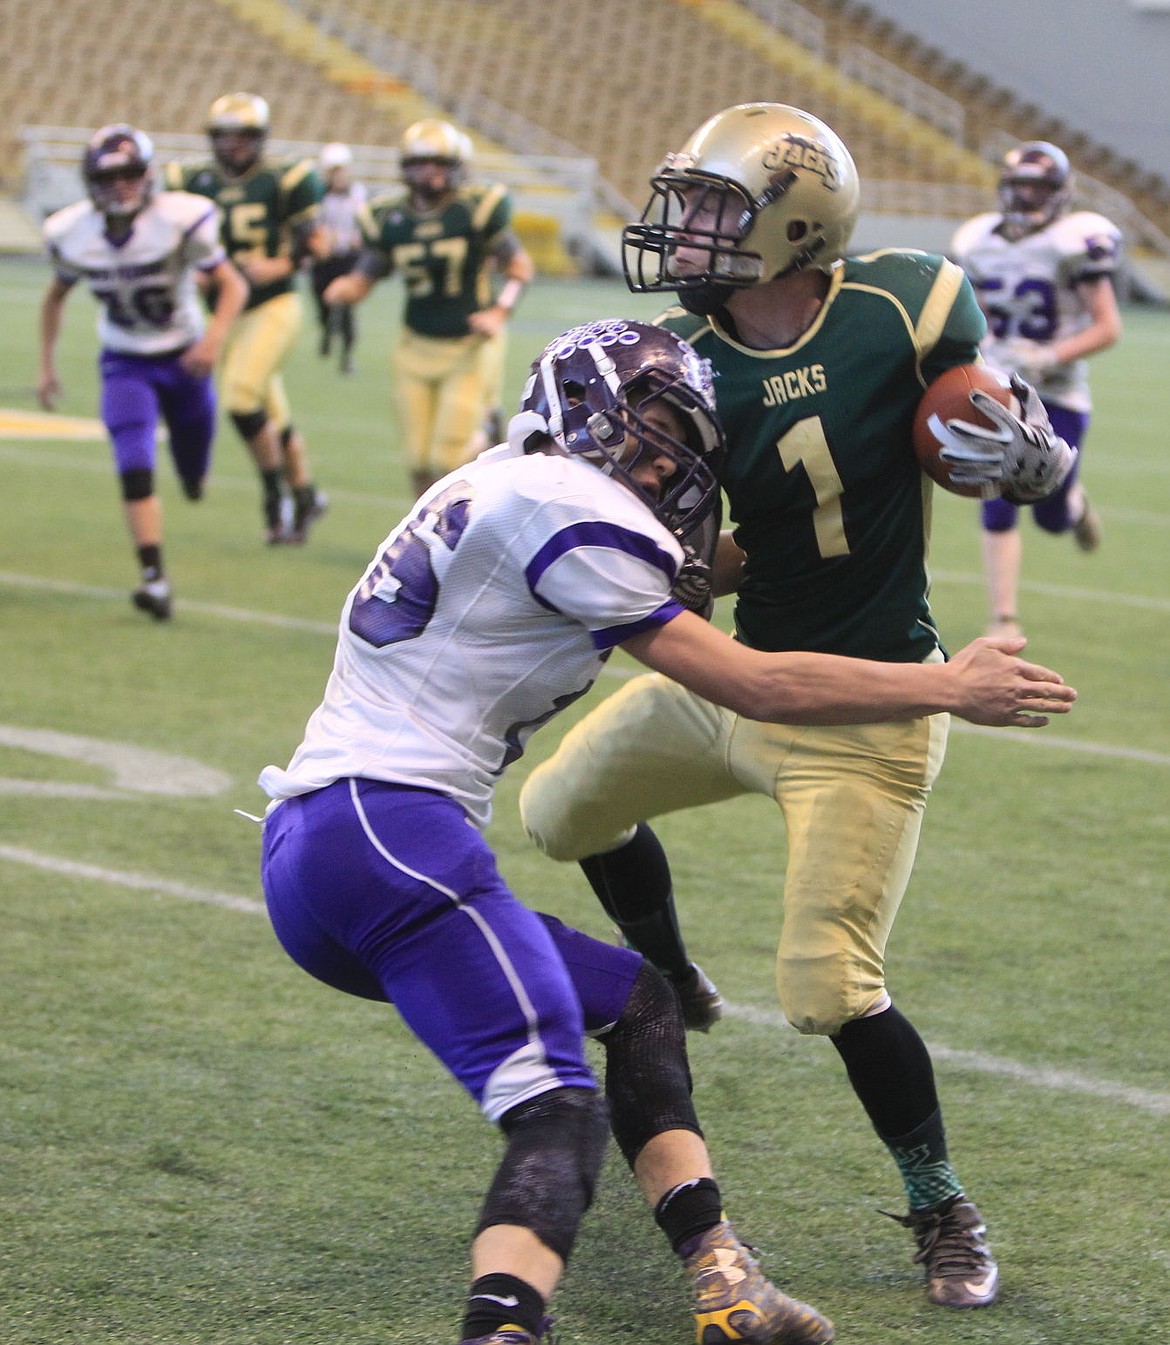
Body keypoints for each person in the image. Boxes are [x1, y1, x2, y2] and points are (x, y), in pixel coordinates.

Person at [255, 319, 1073, 1345]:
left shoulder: (503, 481)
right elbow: (755, 681)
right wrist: (950, 684)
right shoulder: (577, 512)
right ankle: (502, 1325)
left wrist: (850, 500)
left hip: (326, 851)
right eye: (651, 430)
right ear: (588, 422)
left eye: (676, 434)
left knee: (637, 1002)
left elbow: (689, 576)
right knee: (555, 1111)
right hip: (390, 832)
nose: (671, 457)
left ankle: (722, 1274)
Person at [518, 105, 1079, 1313]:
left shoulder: (908, 304)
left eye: (717, 207)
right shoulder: (678, 350)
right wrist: (660, 569)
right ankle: (666, 973)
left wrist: (1037, 462)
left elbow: (987, 430)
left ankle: (941, 1201)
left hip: (866, 710)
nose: (690, 231)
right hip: (740, 682)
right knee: (558, 811)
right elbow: (725, 551)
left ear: (797, 217)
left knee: (828, 987)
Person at [37, 124, 247, 620]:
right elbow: (55, 295)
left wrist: (213, 342)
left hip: (184, 355)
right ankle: (153, 577)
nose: (120, 186)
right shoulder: (74, 232)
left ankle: (193, 476)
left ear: (148, 175)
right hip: (125, 359)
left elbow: (231, 284)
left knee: (193, 462)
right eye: (108, 178)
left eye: (130, 174)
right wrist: (47, 365)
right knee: (133, 456)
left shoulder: (179, 219)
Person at [951, 140, 1124, 638]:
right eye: (1020, 185)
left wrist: (1050, 355)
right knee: (998, 496)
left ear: (1060, 193)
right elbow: (972, 313)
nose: (1028, 196)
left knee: (1050, 515)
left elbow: (1107, 326)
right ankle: (1003, 620)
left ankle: (1074, 506)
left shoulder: (1076, 240)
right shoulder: (978, 239)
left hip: (1060, 393)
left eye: (1038, 187)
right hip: (1001, 386)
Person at [324, 118, 535, 499]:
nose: (430, 173)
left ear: (457, 166)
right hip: (414, 346)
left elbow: (520, 268)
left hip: (468, 345)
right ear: (406, 168)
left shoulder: (475, 209)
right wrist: (346, 289)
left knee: (447, 455)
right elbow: (366, 276)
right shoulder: (390, 218)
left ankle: (484, 448)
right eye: (421, 163)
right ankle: (427, 535)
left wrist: (499, 312)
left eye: (439, 163)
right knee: (419, 460)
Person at [164, 92, 329, 544]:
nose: (234, 145)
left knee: (239, 398)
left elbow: (318, 245)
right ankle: (307, 493)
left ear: (260, 138)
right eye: (226, 136)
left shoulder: (285, 179)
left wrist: (280, 265)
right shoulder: (190, 180)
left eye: (244, 136)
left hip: (273, 304)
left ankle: (275, 495)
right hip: (224, 310)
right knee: (270, 411)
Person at [309, 141, 369, 375]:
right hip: (324, 260)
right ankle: (326, 331)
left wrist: (352, 239)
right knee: (322, 302)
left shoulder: (357, 193)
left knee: (346, 308)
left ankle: (347, 355)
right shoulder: (319, 195)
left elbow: (363, 226)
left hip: (347, 258)